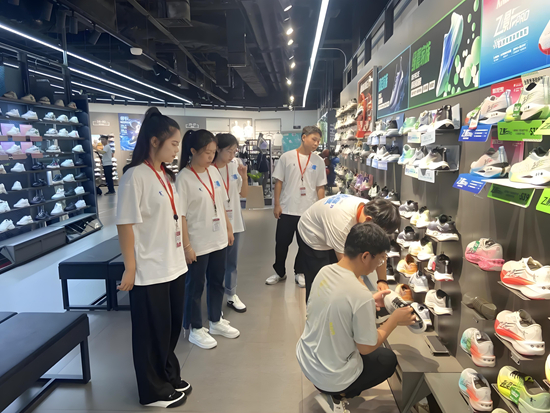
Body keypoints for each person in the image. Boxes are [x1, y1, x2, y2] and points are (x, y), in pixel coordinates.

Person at [296, 223, 416, 413]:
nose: (379, 265)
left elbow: (337, 302)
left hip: (307, 359)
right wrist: (394, 320)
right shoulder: (360, 295)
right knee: (386, 360)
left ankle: (331, 388)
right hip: (329, 376)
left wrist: (370, 299)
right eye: (380, 260)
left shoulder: (325, 271)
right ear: (366, 256)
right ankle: (336, 396)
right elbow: (366, 347)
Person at [116, 107, 190, 408]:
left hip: (173, 264)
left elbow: (177, 216)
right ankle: (152, 391)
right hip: (149, 268)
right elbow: (125, 223)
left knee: (170, 327)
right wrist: (130, 267)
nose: (176, 150)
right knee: (150, 332)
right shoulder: (135, 176)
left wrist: (185, 248)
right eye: (173, 144)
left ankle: (168, 374)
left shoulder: (166, 176)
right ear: (154, 141)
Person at [176, 129, 240, 350]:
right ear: (193, 151)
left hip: (218, 238)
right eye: (207, 153)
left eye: (213, 152)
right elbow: (181, 216)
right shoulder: (183, 178)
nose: (211, 157)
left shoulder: (213, 172)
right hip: (198, 242)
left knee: (217, 281)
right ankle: (194, 328)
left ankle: (215, 320)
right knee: (195, 286)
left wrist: (228, 228)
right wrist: (187, 246)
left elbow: (220, 203)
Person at [297, 195, 401, 301]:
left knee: (340, 282)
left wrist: (382, 280)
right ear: (368, 220)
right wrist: (367, 298)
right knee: (319, 283)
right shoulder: (341, 224)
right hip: (312, 233)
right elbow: (347, 267)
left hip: (331, 224)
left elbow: (380, 250)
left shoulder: (371, 210)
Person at [266, 126, 327, 288]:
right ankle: (279, 272)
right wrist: (277, 204)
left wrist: (321, 209)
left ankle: (300, 272)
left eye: (318, 141)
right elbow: (279, 182)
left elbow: (320, 187)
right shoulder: (286, 157)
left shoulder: (318, 161)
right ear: (304, 137)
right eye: (314, 139)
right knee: (281, 243)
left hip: (308, 211)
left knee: (305, 245)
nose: (316, 143)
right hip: (287, 208)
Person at [213, 133, 249, 312]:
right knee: (215, 264)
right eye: (229, 151)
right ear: (218, 149)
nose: (232, 155)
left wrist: (245, 176)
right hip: (216, 224)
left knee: (232, 262)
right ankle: (214, 299)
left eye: (235, 151)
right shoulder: (209, 170)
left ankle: (231, 294)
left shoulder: (234, 166)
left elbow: (244, 194)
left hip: (235, 221)